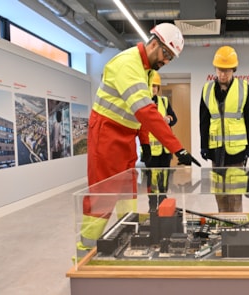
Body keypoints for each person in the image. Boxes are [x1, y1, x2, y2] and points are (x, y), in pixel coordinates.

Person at [78, 23, 200, 256]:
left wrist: (144, 143)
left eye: (170, 59)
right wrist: (177, 148)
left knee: (127, 190)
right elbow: (145, 111)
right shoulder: (128, 63)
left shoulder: (144, 69)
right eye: (166, 55)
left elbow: (138, 114)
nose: (165, 62)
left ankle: (128, 236)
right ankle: (86, 251)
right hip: (106, 134)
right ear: (154, 43)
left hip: (125, 136)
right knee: (103, 194)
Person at [199, 45, 249, 212]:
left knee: (235, 194)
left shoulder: (245, 89)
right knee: (220, 193)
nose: (223, 74)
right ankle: (223, 224)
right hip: (216, 152)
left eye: (227, 70)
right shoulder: (207, 90)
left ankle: (236, 230)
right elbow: (204, 121)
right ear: (215, 69)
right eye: (220, 70)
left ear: (234, 70)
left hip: (237, 152)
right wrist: (204, 146)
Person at [140, 71, 178, 211]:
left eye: (156, 86)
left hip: (164, 150)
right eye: (151, 86)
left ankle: (163, 202)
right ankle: (152, 204)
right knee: (152, 179)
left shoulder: (164, 102)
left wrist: (168, 119)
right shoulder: (141, 104)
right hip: (150, 150)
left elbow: (174, 119)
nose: (153, 89)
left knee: (164, 178)